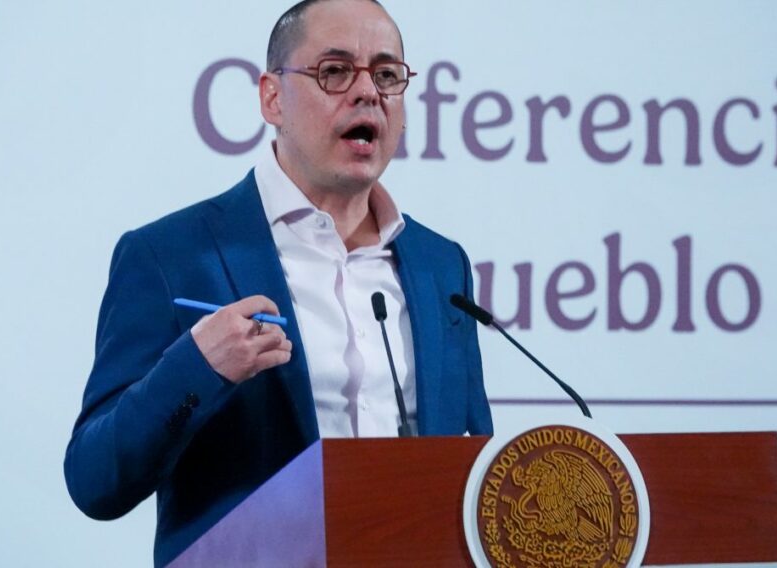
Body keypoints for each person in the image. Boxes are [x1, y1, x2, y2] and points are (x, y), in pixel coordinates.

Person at [64, 0, 493, 565]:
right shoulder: (170, 255)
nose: (368, 92)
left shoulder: (441, 264)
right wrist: (196, 367)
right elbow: (95, 480)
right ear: (272, 98)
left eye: (387, 75)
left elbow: (474, 460)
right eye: (335, 71)